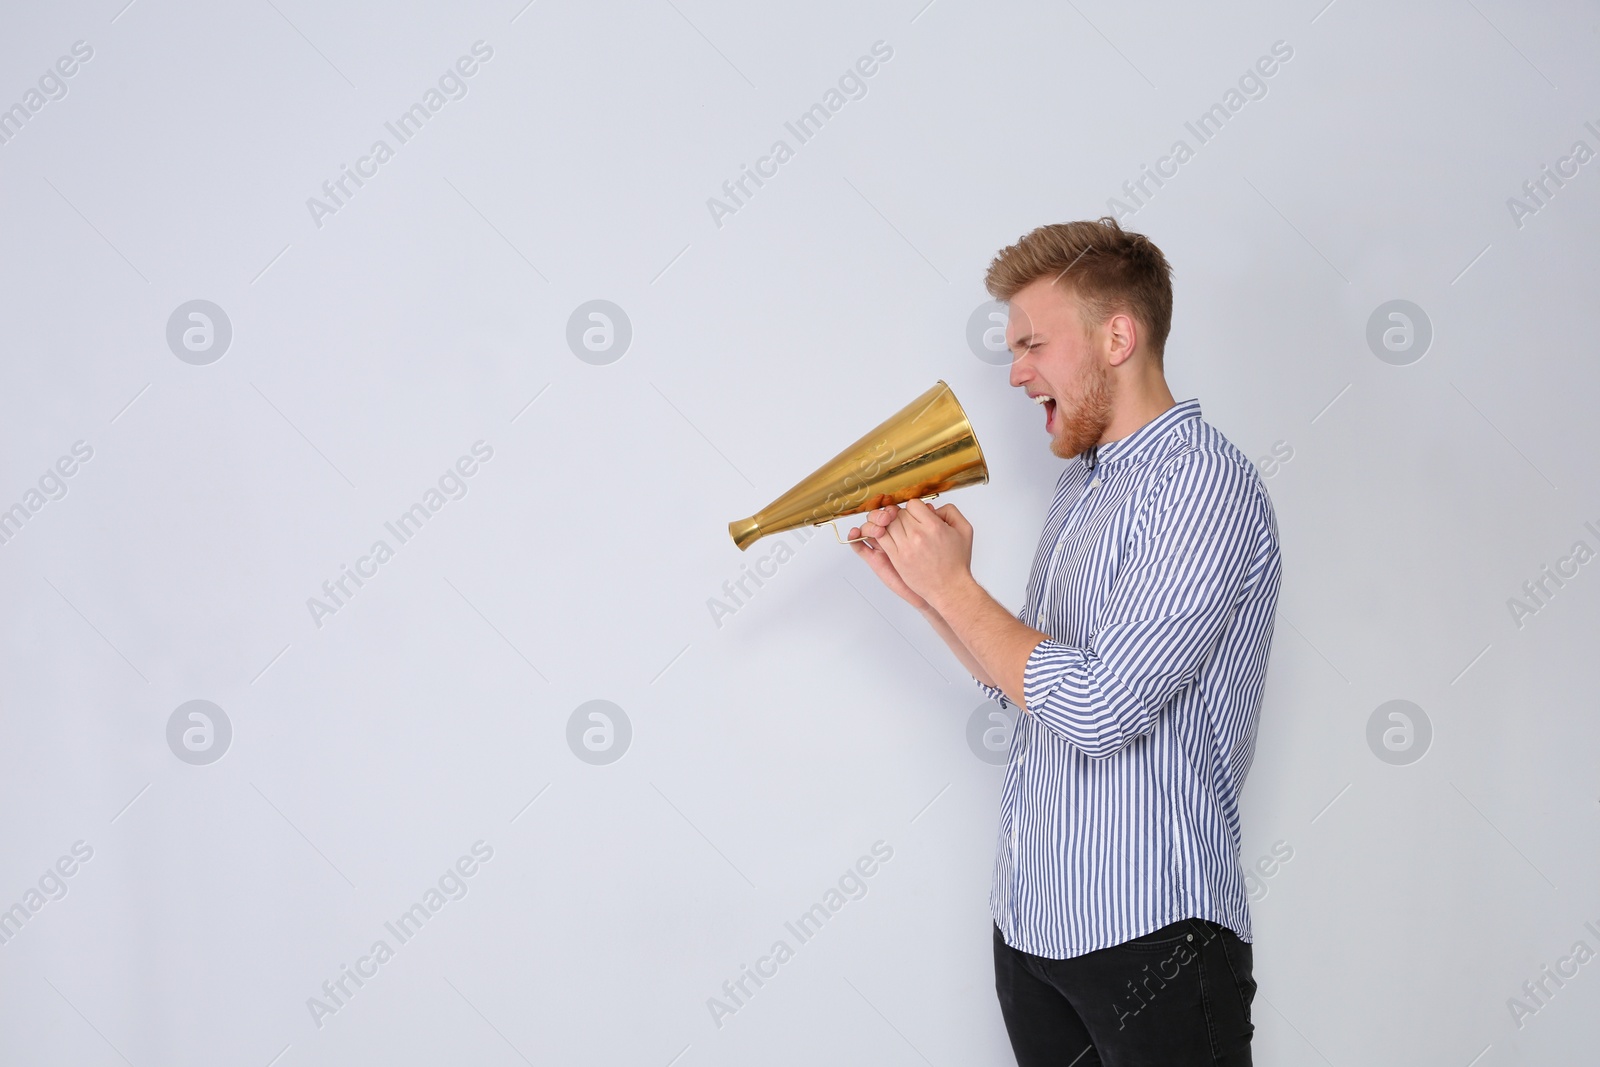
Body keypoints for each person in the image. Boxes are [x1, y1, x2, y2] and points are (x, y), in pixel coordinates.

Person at [848, 216, 1281, 1066]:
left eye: (1033, 343)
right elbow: (1032, 685)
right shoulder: (1083, 486)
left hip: (1154, 939)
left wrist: (957, 589)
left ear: (1118, 335)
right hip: (1035, 931)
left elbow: (1096, 708)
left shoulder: (1201, 483)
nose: (1014, 372)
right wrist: (930, 597)